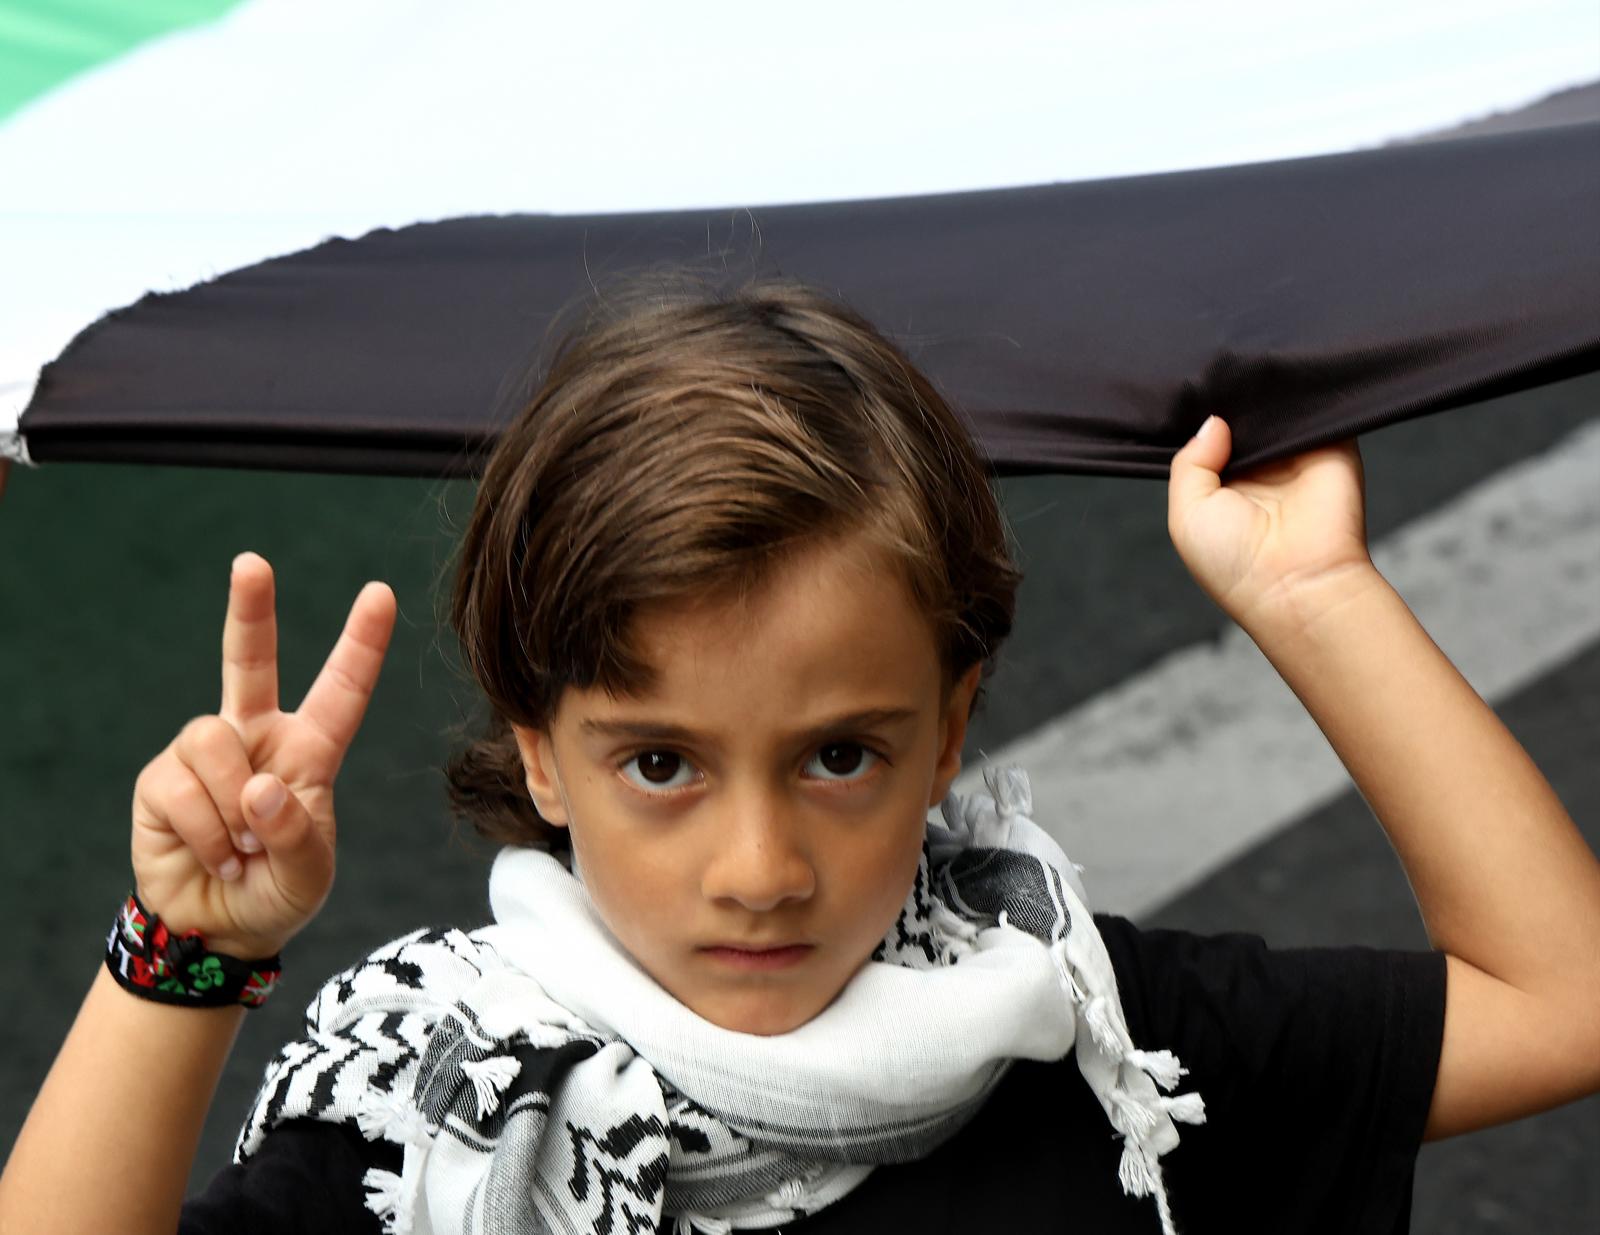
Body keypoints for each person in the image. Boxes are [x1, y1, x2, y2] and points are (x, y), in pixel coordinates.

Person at [2, 274, 1598, 1235]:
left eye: (839, 756)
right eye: (659, 765)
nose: (760, 870)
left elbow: (1562, 1003)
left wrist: (1315, 594)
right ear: (537, 754)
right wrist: (184, 957)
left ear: (951, 730)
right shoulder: (431, 1111)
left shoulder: (1096, 1050)